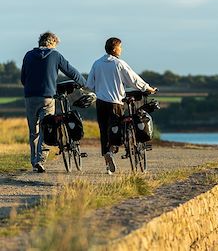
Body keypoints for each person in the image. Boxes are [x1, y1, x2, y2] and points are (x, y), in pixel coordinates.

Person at [86, 37, 157, 174]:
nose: (121, 49)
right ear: (114, 49)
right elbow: (134, 80)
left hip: (100, 103)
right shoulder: (119, 64)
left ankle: (107, 156)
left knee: (104, 130)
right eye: (120, 47)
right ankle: (118, 150)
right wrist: (148, 88)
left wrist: (100, 89)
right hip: (116, 103)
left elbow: (89, 84)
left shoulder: (97, 63)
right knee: (117, 130)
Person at [21, 31, 86, 173]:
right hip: (47, 97)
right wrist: (83, 83)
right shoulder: (55, 55)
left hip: (30, 97)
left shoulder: (28, 55)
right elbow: (70, 71)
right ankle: (40, 160)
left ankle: (34, 162)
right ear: (52, 43)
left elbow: (23, 78)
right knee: (47, 127)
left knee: (34, 131)